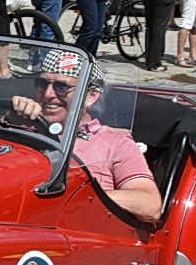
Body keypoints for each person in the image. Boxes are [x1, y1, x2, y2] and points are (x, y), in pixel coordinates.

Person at [8, 50, 161, 224]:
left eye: (61, 87)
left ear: (91, 96)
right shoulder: (23, 126)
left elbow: (150, 205)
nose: (49, 94)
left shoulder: (115, 144)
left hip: (78, 232)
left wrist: (79, 198)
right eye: (42, 84)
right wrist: (10, 118)